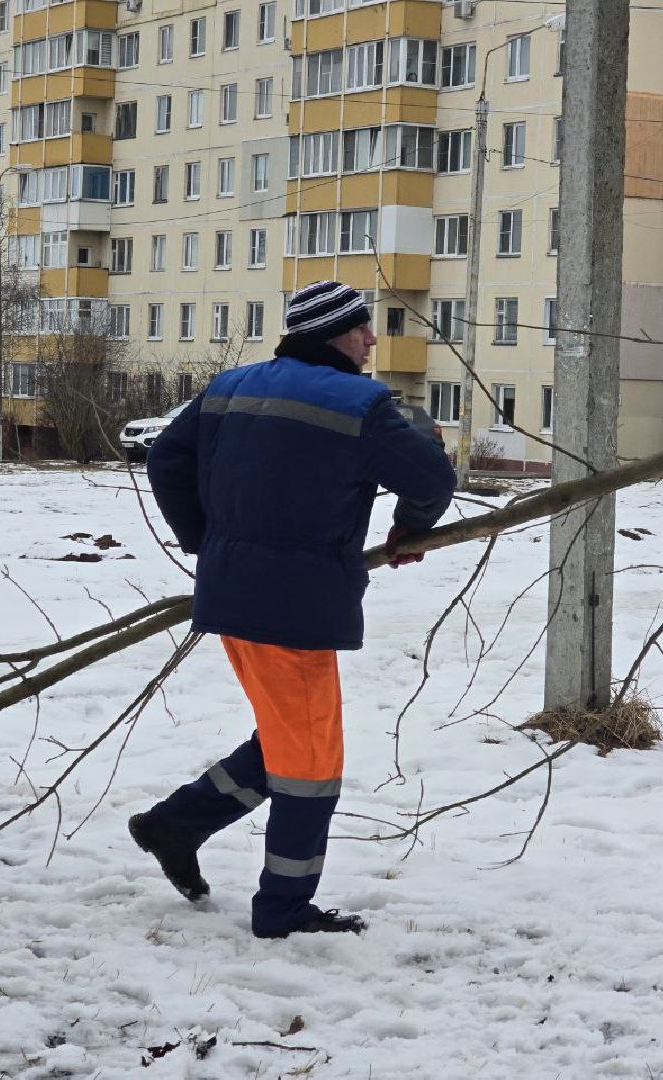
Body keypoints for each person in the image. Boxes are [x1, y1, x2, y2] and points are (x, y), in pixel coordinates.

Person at [129, 280, 457, 939]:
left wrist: (207, 541)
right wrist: (409, 530)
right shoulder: (360, 404)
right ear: (333, 333)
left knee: (287, 736)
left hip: (231, 591)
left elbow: (165, 457)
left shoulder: (230, 387)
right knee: (309, 762)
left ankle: (177, 824)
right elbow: (432, 479)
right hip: (296, 605)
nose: (371, 339)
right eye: (363, 327)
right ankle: (282, 908)